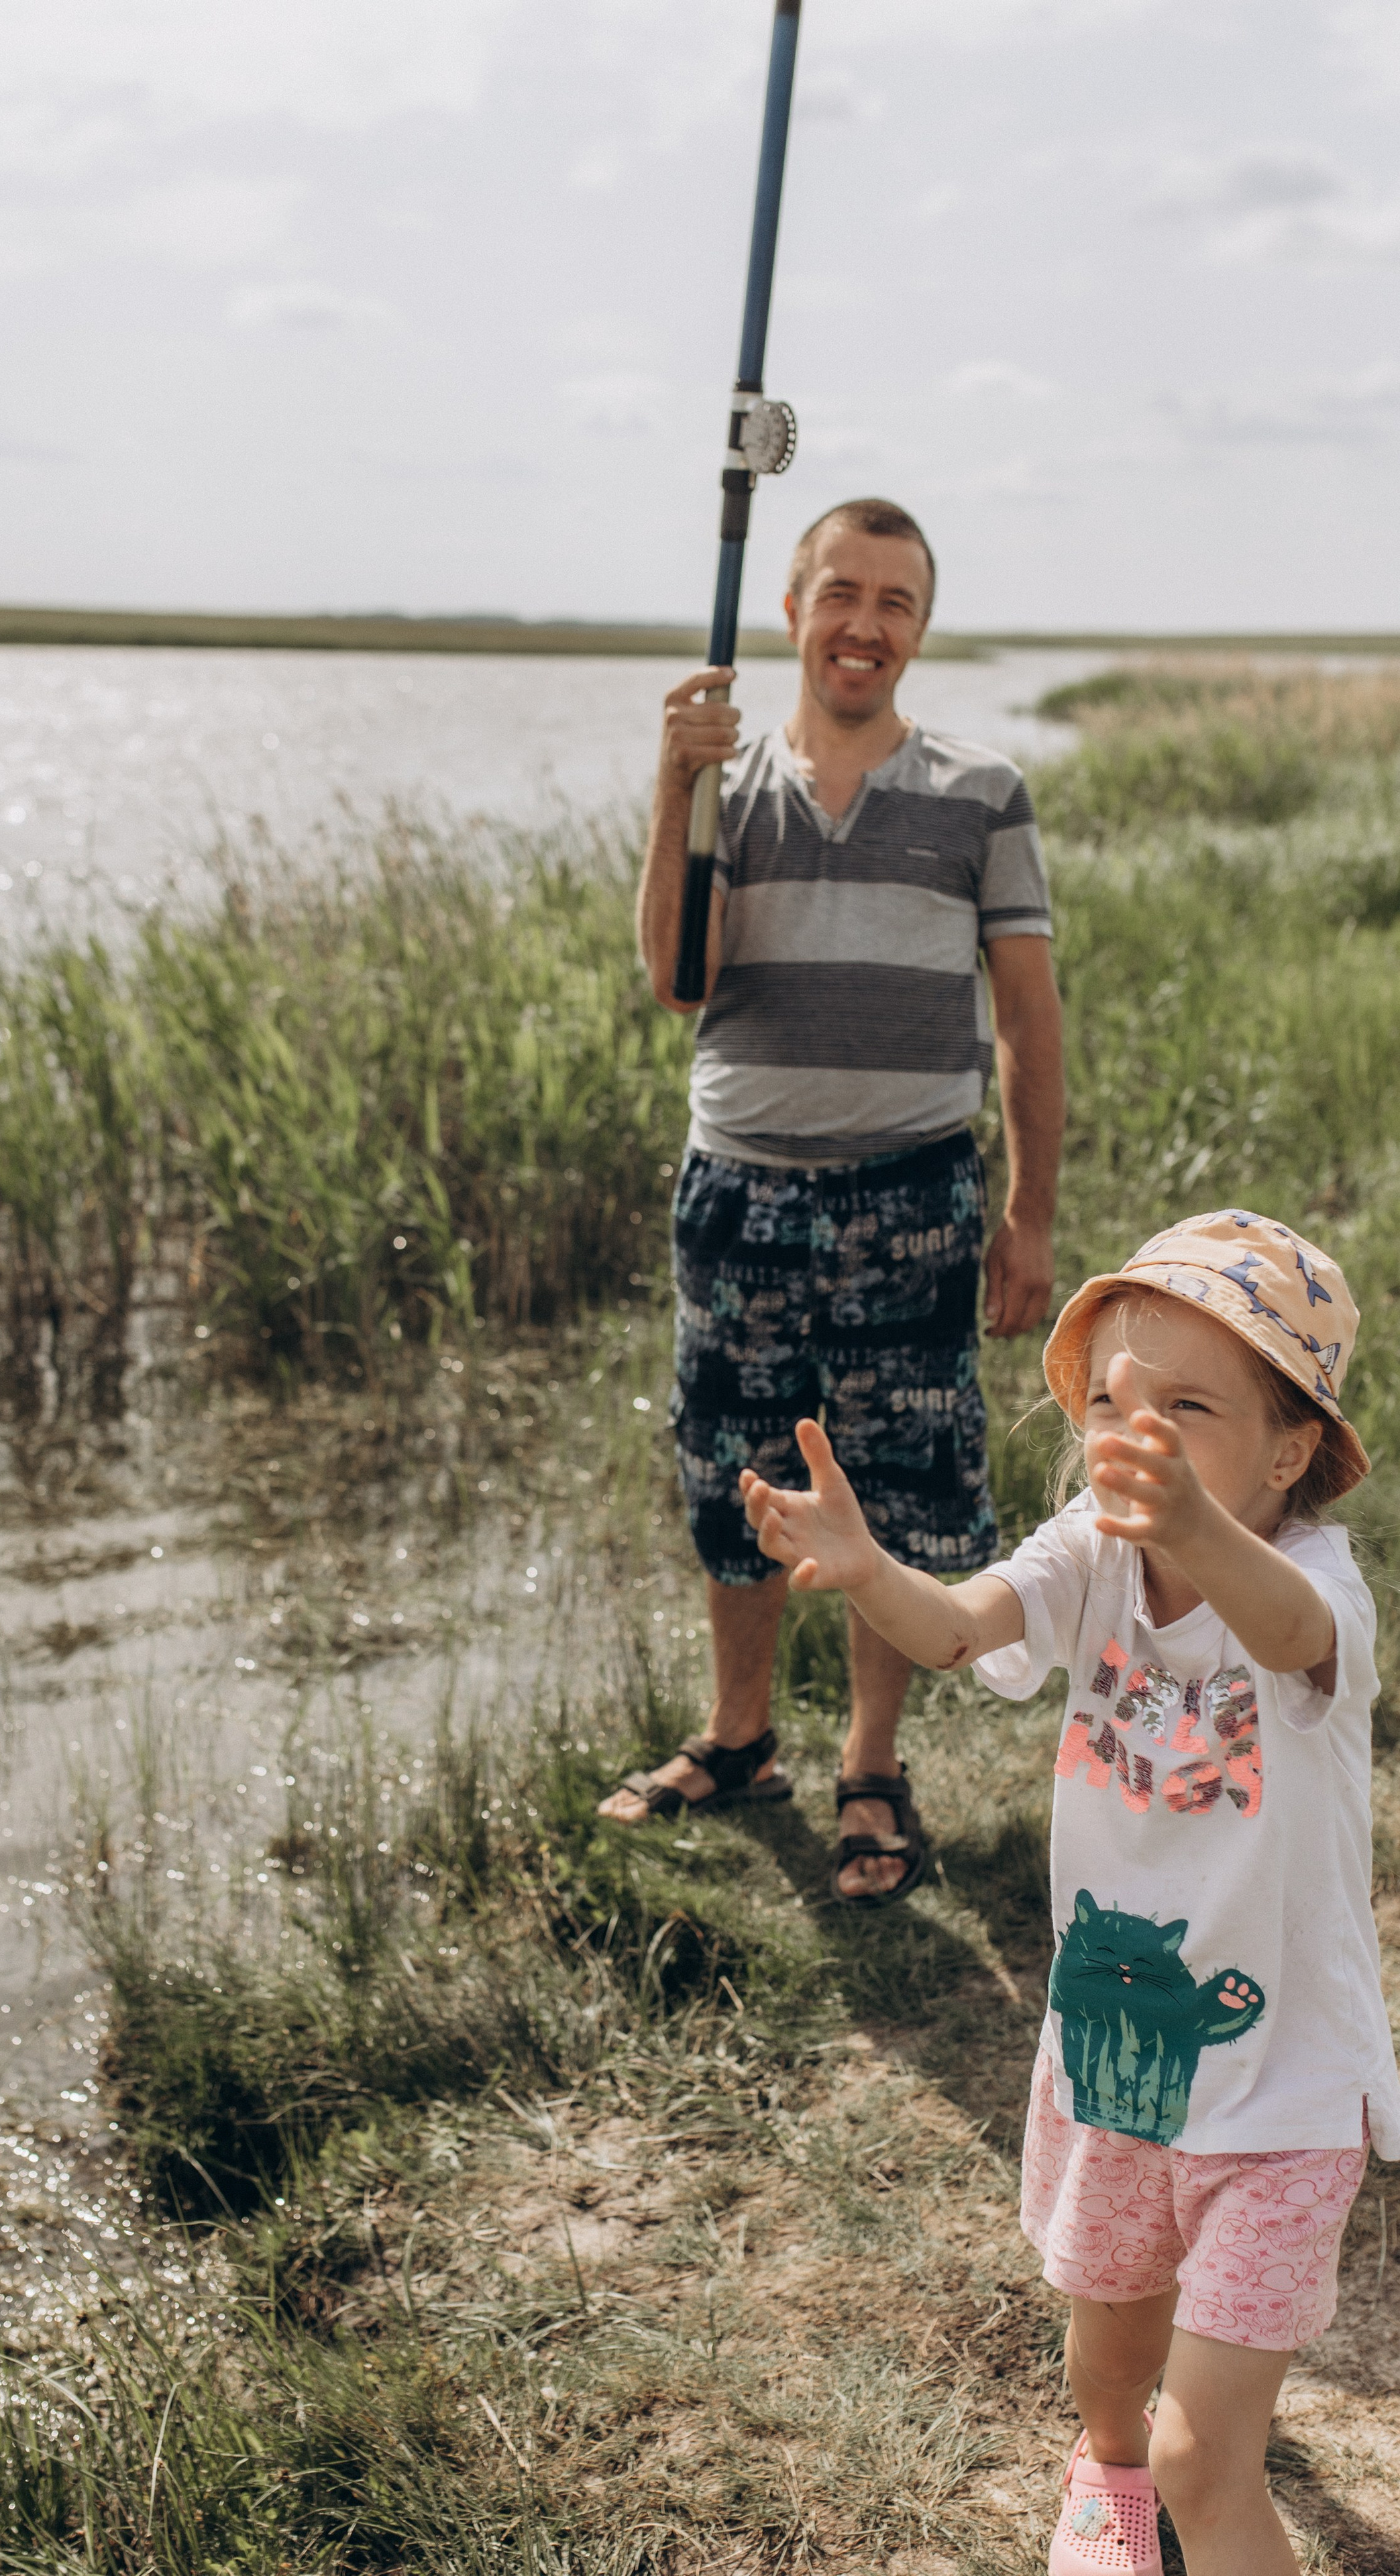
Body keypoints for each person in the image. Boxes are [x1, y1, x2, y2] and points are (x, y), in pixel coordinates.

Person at [742, 1210, 1400, 2576]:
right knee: (1108, 2361)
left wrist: (1194, 1525)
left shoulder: (1315, 1591)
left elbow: (1283, 1631)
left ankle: (1159, 2479)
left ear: (1287, 1451)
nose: (1127, 1429)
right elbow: (960, 1628)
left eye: (1183, 1408)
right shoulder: (1087, 1551)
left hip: (1280, 2093)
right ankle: (1100, 2477)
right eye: (1106, 1399)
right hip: (1118, 2071)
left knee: (1201, 2453)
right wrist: (869, 1572)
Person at [603, 496, 1065, 1904]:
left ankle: (872, 1765)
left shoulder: (979, 791)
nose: (865, 624)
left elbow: (1027, 1021)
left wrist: (1029, 1214)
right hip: (737, 1191)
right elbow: (680, 978)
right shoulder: (725, 787)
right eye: (840, 593)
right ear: (792, 608)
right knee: (730, 1475)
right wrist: (671, 789)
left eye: (896, 602)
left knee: (895, 1491)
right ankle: (739, 1740)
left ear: (918, 629)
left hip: (913, 1193)